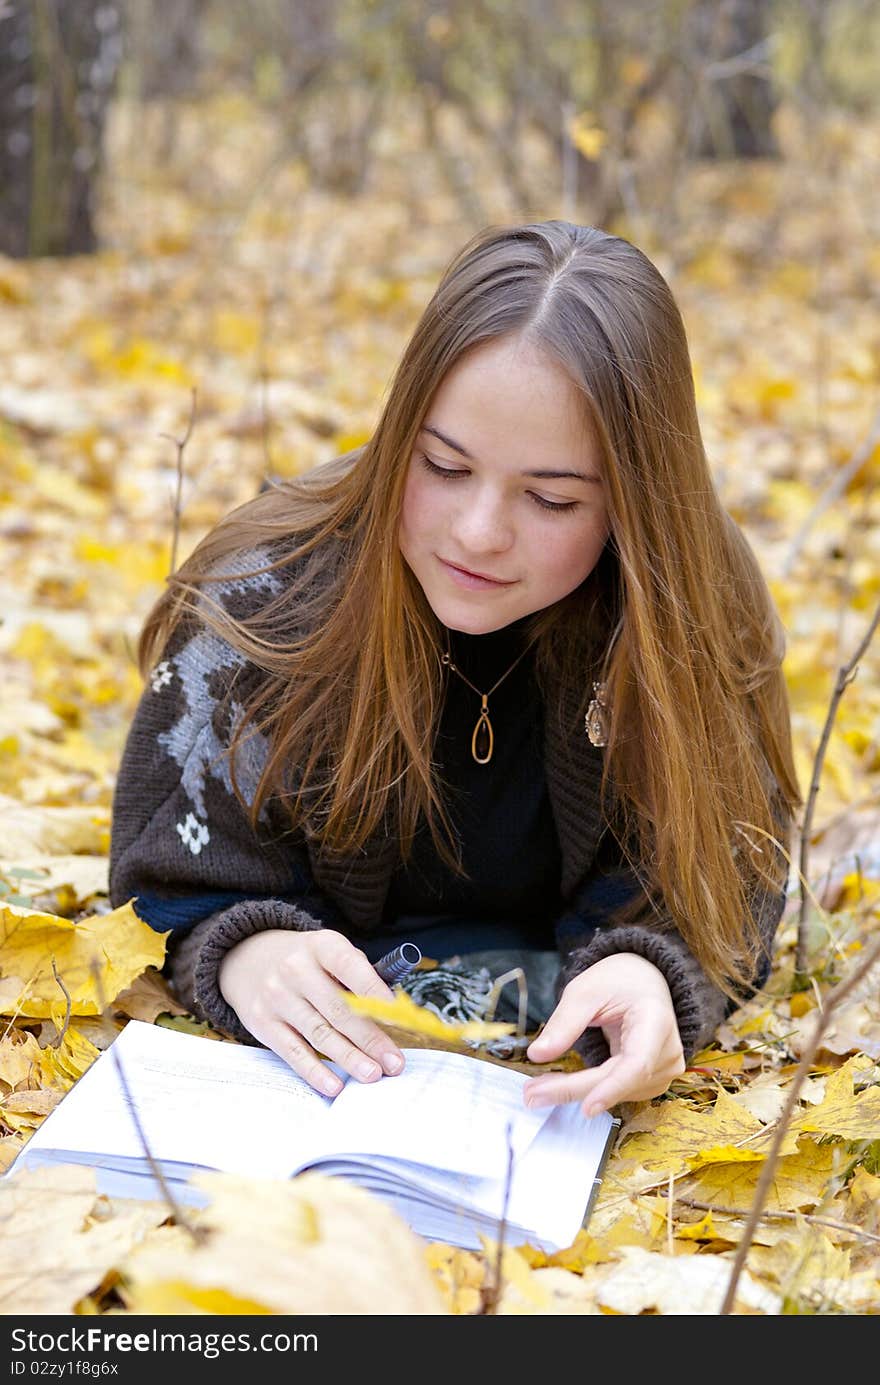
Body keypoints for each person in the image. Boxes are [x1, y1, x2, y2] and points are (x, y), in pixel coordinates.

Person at [108, 219, 801, 1121]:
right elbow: (164, 864)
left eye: (551, 497)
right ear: (401, 434)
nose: (478, 531)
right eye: (442, 465)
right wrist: (244, 951)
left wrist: (649, 970)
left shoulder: (692, 603)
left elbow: (727, 872)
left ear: (634, 499)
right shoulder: (266, 589)